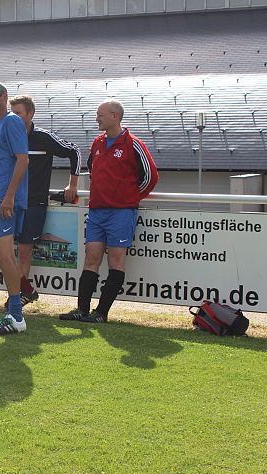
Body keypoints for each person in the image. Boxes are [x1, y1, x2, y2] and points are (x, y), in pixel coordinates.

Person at [60, 98, 158, 323]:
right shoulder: (97, 143)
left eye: (100, 115)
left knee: (115, 261)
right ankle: (82, 310)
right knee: (91, 259)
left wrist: (129, 198)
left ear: (115, 116)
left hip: (121, 213)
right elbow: (93, 172)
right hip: (96, 212)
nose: (97, 119)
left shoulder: (133, 144)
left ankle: (101, 313)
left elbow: (151, 177)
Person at [7, 94, 81, 308]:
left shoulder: (43, 137)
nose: (14, 117)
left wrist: (72, 185)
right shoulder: (6, 135)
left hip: (34, 204)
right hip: (10, 202)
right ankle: (26, 291)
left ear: (30, 114)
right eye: (12, 113)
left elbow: (74, 151)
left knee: (23, 253)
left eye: (18, 113)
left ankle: (18, 296)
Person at [0, 83, 30, 334]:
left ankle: (16, 316)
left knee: (5, 254)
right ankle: (17, 307)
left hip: (5, 201)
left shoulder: (11, 122)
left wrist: (9, 197)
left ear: (4, 97)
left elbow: (23, 160)